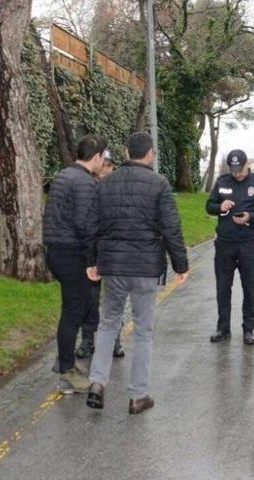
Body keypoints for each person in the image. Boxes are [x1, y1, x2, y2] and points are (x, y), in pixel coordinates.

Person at [85, 132, 189, 415]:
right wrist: (181, 265)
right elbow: (171, 228)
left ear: (127, 152)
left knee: (108, 323)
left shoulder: (106, 183)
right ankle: (138, 395)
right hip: (144, 267)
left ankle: (96, 382)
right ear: (150, 153)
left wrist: (93, 261)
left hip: (113, 267)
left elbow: (94, 226)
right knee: (143, 330)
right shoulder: (159, 184)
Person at [42, 134, 106, 394]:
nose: (104, 162)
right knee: (73, 311)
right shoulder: (85, 183)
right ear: (97, 157)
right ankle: (67, 372)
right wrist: (92, 261)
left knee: (70, 309)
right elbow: (85, 225)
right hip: (72, 254)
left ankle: (65, 361)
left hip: (55, 250)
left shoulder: (63, 176)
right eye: (104, 157)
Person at [205, 150, 254, 345]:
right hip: (225, 243)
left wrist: (250, 217)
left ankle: (248, 330)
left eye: (240, 169)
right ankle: (223, 328)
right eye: (233, 170)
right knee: (223, 288)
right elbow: (209, 205)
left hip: (249, 243)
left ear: (247, 164)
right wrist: (220, 207)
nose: (237, 173)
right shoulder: (222, 182)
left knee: (249, 288)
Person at [75, 152, 125, 360]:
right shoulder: (86, 187)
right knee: (90, 299)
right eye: (103, 166)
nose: (106, 170)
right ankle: (87, 339)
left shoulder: (120, 189)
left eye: (110, 166)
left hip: (113, 252)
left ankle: (115, 340)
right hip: (90, 252)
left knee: (115, 300)